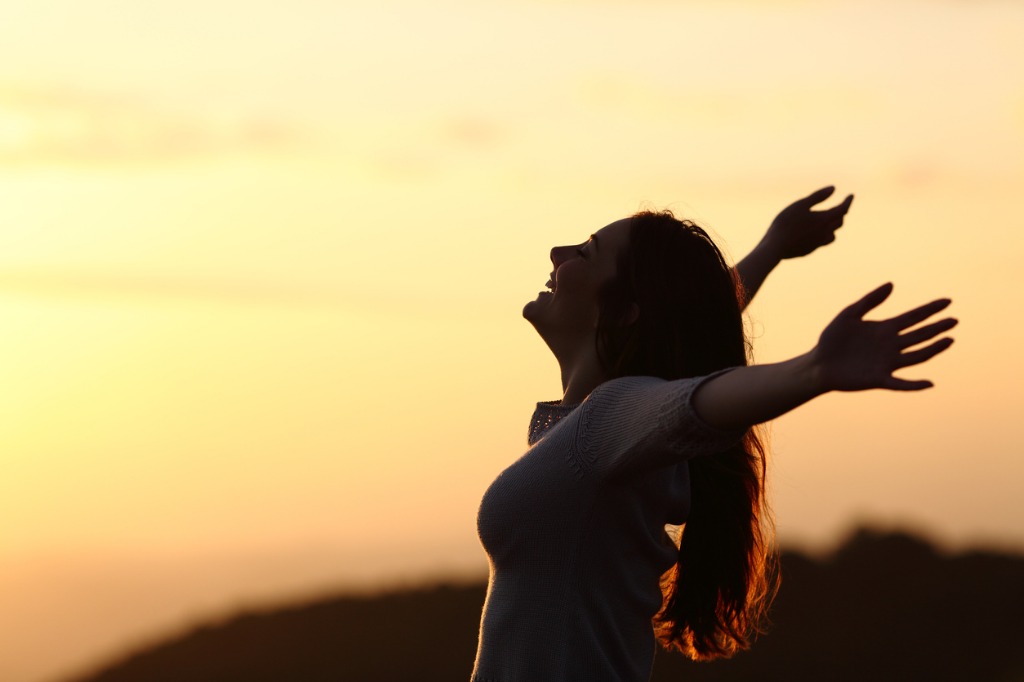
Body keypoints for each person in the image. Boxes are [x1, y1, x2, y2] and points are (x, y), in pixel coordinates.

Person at [470, 187, 957, 682]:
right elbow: (689, 325)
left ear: (625, 311)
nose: (558, 253)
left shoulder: (608, 419)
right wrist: (772, 248)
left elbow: (697, 401)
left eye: (587, 252)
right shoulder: (598, 425)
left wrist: (813, 369)